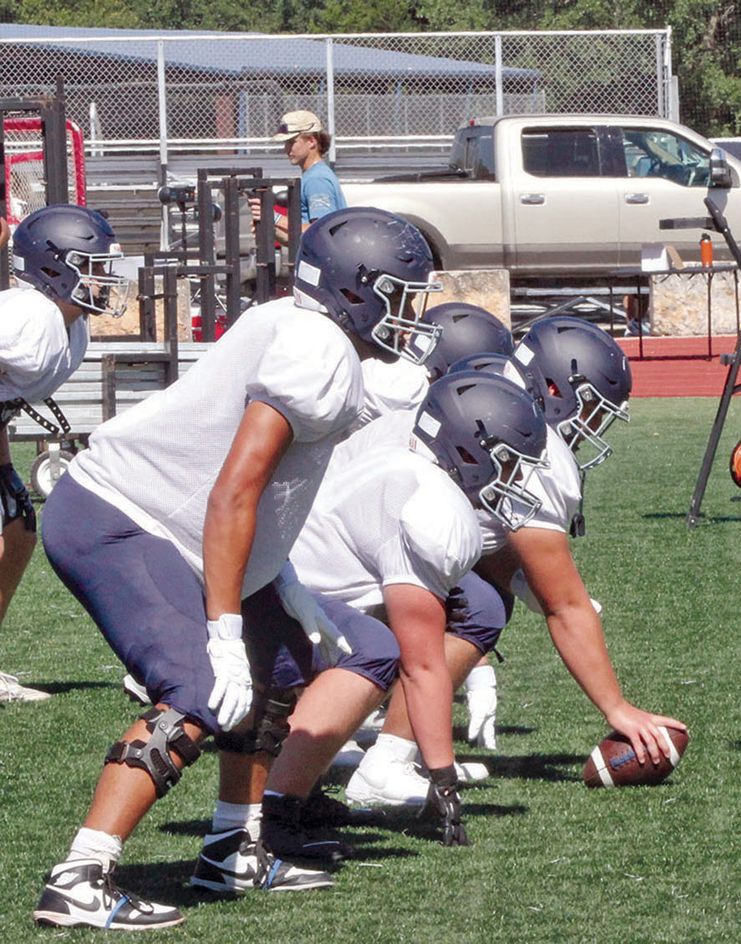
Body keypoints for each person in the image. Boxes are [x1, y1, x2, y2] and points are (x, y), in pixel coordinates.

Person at [32, 206, 442, 930]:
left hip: (172, 523)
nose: (410, 315)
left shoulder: (301, 325)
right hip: (123, 515)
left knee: (280, 667)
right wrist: (222, 630)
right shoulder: (317, 353)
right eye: (401, 295)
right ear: (356, 289)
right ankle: (80, 876)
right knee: (197, 686)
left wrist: (276, 575)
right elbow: (233, 490)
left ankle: (231, 847)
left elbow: (262, 488)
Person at [196, 369, 548, 870]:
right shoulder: (434, 510)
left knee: (371, 635)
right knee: (375, 651)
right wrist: (443, 777)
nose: (516, 479)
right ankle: (276, 813)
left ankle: (298, 792)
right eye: (508, 463)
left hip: (273, 575)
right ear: (469, 451)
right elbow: (422, 665)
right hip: (270, 592)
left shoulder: (409, 463)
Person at [346, 317, 686, 808]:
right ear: (555, 388)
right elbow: (564, 606)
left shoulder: (480, 382)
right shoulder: (536, 450)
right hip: (363, 548)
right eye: (590, 408)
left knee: (479, 592)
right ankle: (389, 759)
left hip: (340, 518)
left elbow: (488, 545)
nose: (591, 425)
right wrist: (617, 708)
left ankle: (351, 746)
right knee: (481, 608)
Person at [0, 205, 129, 704]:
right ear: (56, 268)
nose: (106, 280)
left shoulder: (68, 326)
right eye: (94, 267)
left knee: (16, 524)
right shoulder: (27, 317)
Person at [252, 110, 346, 245]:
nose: (286, 149)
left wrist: (273, 217)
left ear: (311, 142)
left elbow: (321, 231)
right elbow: (303, 239)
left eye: (291, 142)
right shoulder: (313, 175)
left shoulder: (317, 180)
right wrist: (271, 229)